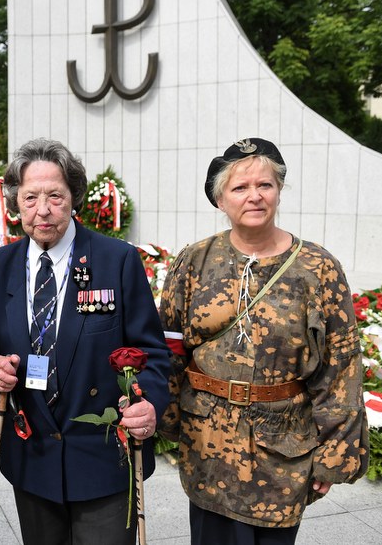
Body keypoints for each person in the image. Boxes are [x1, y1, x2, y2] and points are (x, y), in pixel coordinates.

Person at [158, 137, 369, 544]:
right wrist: (162, 420)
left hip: (282, 450)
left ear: (279, 191)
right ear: (220, 199)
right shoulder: (194, 261)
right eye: (239, 188)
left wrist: (333, 454)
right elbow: (169, 348)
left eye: (265, 185)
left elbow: (341, 365)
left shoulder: (318, 268)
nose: (254, 196)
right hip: (208, 447)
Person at [0, 138, 170, 544]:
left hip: (103, 459)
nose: (43, 209)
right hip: (32, 458)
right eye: (31, 197)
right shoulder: (0, 266)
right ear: (16, 202)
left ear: (73, 197)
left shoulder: (117, 261)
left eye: (55, 196)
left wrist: (150, 404)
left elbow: (152, 353)